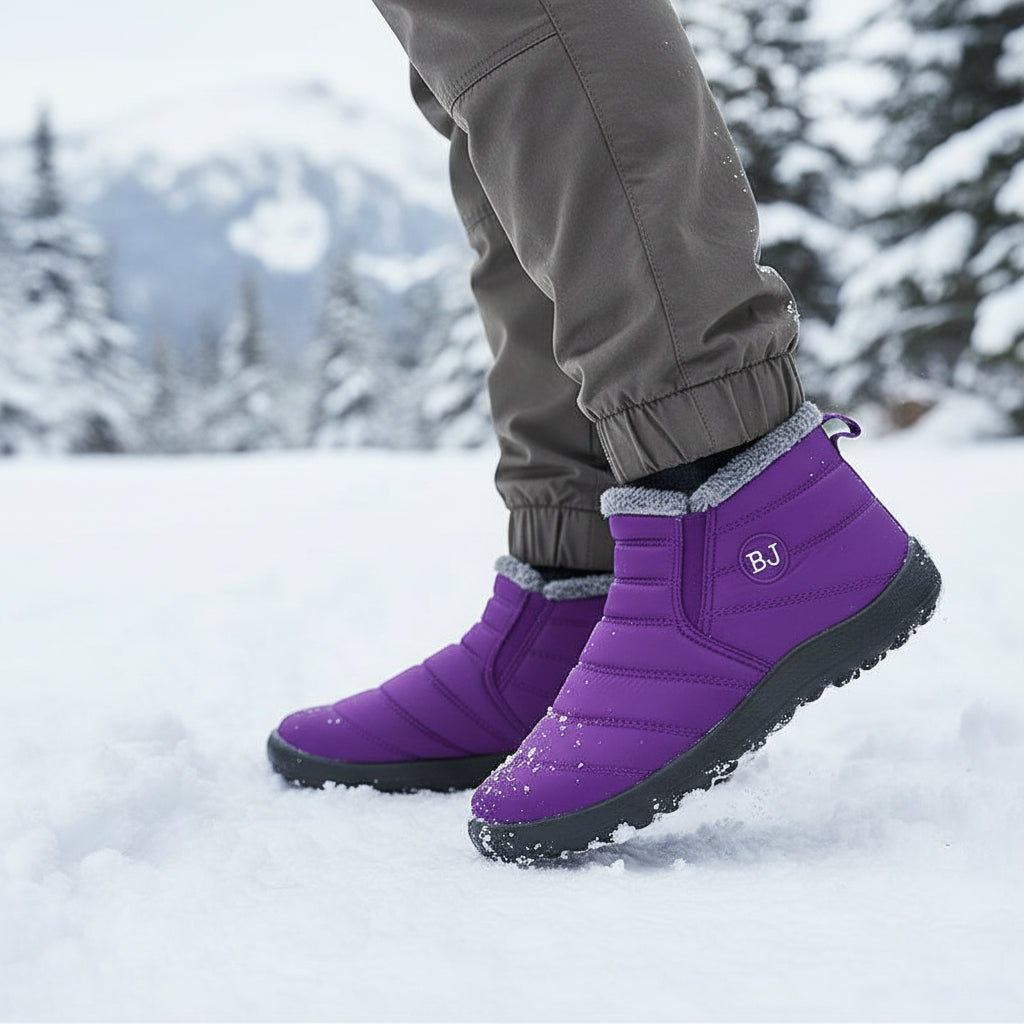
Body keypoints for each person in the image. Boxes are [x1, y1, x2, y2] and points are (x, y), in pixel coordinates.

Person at [267, 0, 942, 862]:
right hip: (590, 550)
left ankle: (733, 489)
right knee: (470, 61)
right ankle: (583, 577)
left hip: (728, 502)